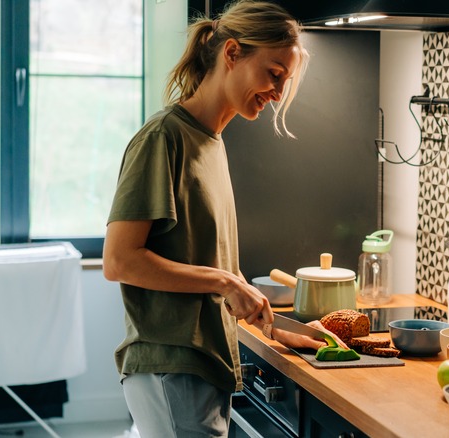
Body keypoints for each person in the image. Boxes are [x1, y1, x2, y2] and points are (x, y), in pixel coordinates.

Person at [102, 2, 345, 436]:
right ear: (232, 53)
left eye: (284, 81)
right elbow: (119, 261)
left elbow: (208, 263)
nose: (277, 92)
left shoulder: (211, 142)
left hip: (202, 366)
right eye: (273, 73)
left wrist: (274, 325)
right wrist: (227, 283)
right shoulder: (163, 138)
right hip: (170, 366)